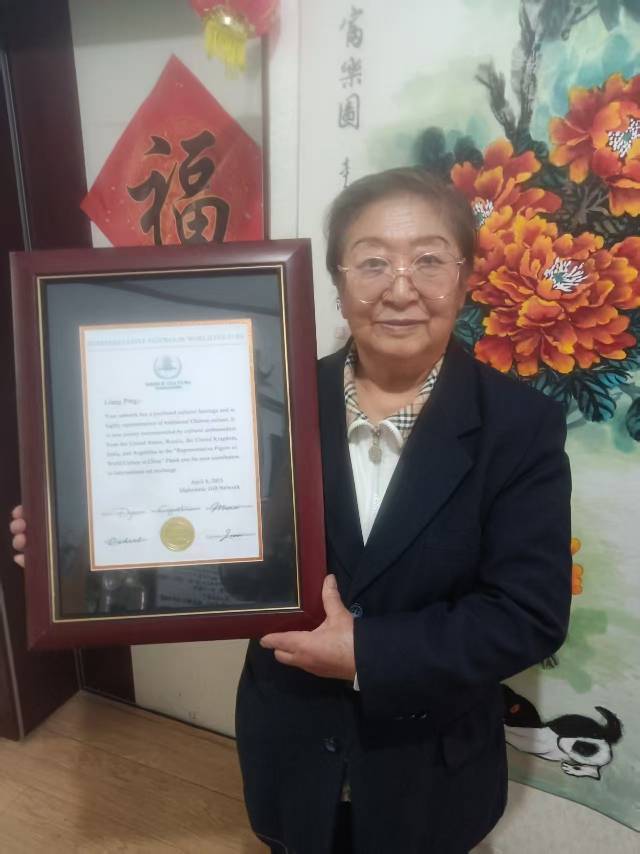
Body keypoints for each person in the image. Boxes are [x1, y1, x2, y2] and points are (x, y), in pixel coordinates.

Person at [11, 168, 572, 854]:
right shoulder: (258, 405)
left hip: (428, 765)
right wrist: (78, 546)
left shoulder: (520, 426)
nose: (400, 288)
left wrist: (367, 652)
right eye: (372, 262)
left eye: (428, 260)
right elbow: (224, 559)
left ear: (465, 278)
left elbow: (528, 615)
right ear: (337, 281)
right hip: (291, 739)